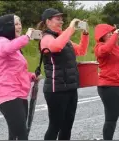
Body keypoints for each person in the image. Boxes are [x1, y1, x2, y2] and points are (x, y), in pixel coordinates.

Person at [36, 8, 89, 140]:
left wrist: (85, 33)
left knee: (67, 126)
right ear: (48, 21)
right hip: (56, 89)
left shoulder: (64, 38)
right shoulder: (46, 38)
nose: (61, 21)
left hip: (70, 87)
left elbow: (81, 51)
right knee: (55, 126)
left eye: (62, 19)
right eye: (57, 19)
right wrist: (70, 28)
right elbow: (55, 47)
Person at [0, 14, 39, 140]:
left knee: (15, 135)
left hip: (19, 94)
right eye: (15, 24)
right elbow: (7, 48)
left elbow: (17, 71)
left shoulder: (14, 48)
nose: (19, 26)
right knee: (21, 135)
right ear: (6, 27)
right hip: (9, 96)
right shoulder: (1, 42)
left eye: (20, 23)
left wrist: (31, 76)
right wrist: (26, 37)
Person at [93, 24, 119, 140]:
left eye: (112, 32)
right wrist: (115, 36)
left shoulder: (116, 47)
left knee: (114, 118)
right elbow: (105, 50)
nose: (111, 34)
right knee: (111, 118)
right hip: (108, 85)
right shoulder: (100, 46)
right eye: (108, 32)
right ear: (101, 35)